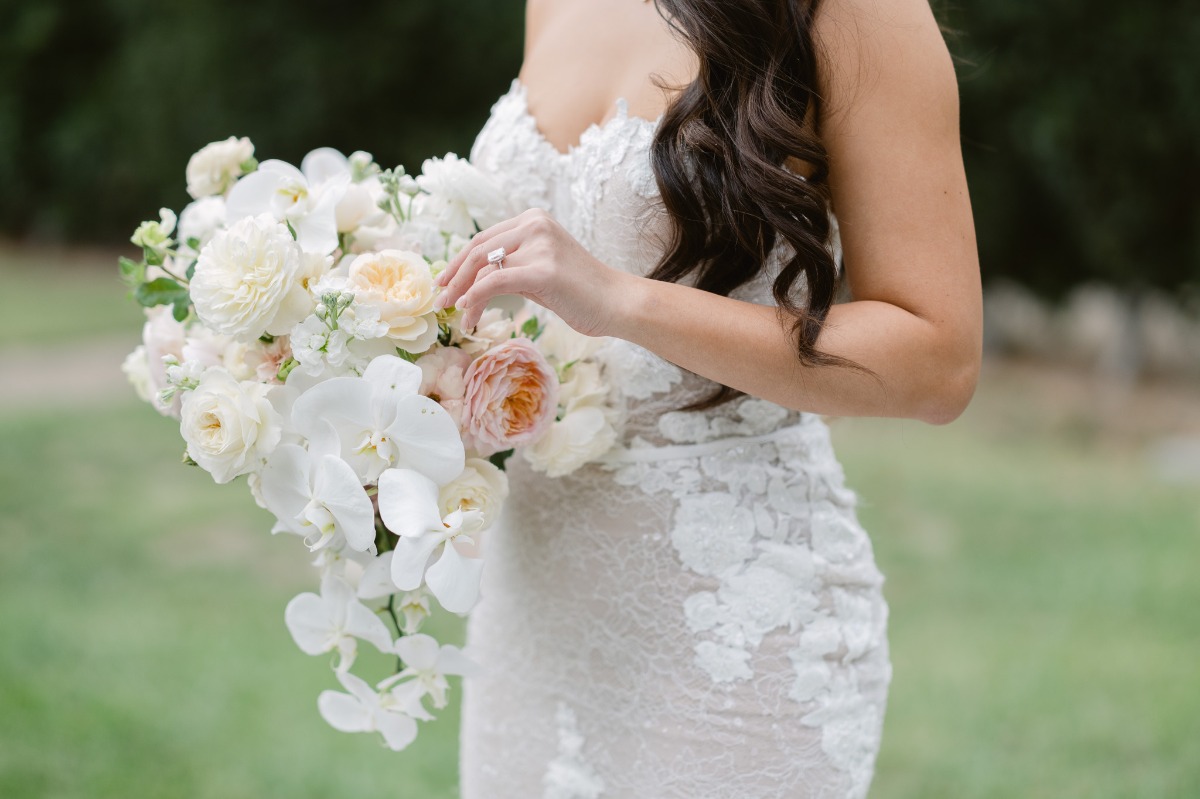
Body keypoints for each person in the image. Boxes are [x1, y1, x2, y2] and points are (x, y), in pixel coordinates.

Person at [434, 0, 980, 795]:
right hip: (533, 610)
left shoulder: (857, 13)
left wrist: (624, 301)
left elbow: (938, 360)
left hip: (730, 632)